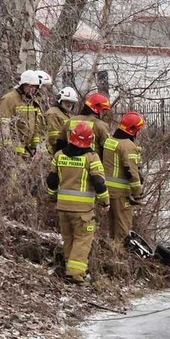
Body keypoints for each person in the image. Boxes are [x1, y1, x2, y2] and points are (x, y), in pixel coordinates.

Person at [45, 122, 110, 284]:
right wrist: (105, 201)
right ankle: (75, 274)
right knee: (82, 240)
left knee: (69, 239)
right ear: (90, 140)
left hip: (63, 208)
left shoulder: (59, 155)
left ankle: (70, 268)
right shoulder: (91, 157)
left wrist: (52, 197)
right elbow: (99, 182)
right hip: (83, 210)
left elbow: (52, 180)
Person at [102, 111, 146, 242]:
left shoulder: (110, 141)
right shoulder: (127, 146)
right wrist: (138, 194)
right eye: (138, 130)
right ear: (133, 130)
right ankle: (119, 256)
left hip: (108, 191)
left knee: (113, 229)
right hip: (121, 193)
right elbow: (132, 173)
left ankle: (112, 254)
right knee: (122, 231)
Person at [0, 70, 44, 157]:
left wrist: (34, 146)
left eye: (35, 87)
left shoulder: (33, 101)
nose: (32, 89)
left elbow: (36, 125)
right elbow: (4, 124)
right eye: (30, 86)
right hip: (11, 150)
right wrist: (8, 148)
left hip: (27, 150)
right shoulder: (9, 99)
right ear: (23, 85)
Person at [55, 92, 112, 158]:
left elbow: (59, 144)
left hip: (68, 164)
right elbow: (107, 151)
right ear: (98, 109)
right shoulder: (101, 125)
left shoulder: (70, 121)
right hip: (92, 164)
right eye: (103, 110)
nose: (104, 113)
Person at [45, 87, 77, 152]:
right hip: (55, 150)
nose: (69, 104)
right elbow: (53, 137)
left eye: (72, 102)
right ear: (60, 101)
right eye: (66, 101)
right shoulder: (53, 113)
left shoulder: (70, 115)